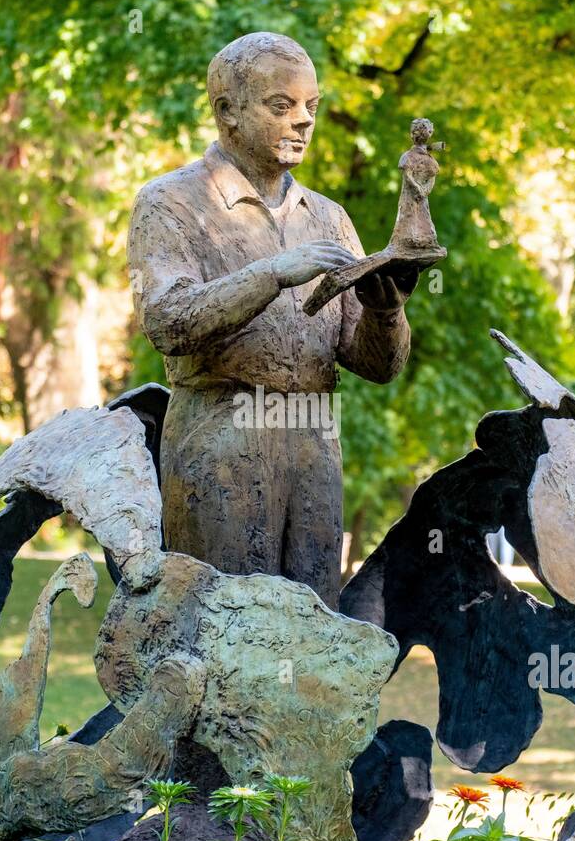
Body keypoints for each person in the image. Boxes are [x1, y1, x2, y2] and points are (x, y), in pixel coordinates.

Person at [128, 31, 418, 608]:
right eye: (281, 106)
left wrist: (386, 311)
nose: (303, 121)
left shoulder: (329, 218)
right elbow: (166, 318)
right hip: (221, 435)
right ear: (227, 111)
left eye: (311, 107)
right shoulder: (171, 203)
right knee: (225, 631)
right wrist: (273, 273)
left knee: (313, 632)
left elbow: (375, 365)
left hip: (313, 437)